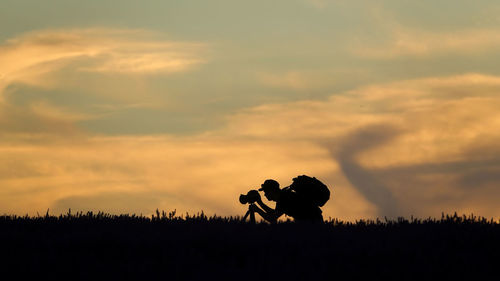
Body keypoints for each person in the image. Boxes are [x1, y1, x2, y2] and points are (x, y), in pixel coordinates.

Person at [249, 179, 324, 223]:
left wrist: (258, 210)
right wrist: (260, 203)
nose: (265, 195)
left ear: (271, 191)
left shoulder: (284, 198)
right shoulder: (283, 196)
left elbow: (272, 218)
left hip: (311, 222)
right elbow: (274, 213)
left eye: (266, 192)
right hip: (312, 220)